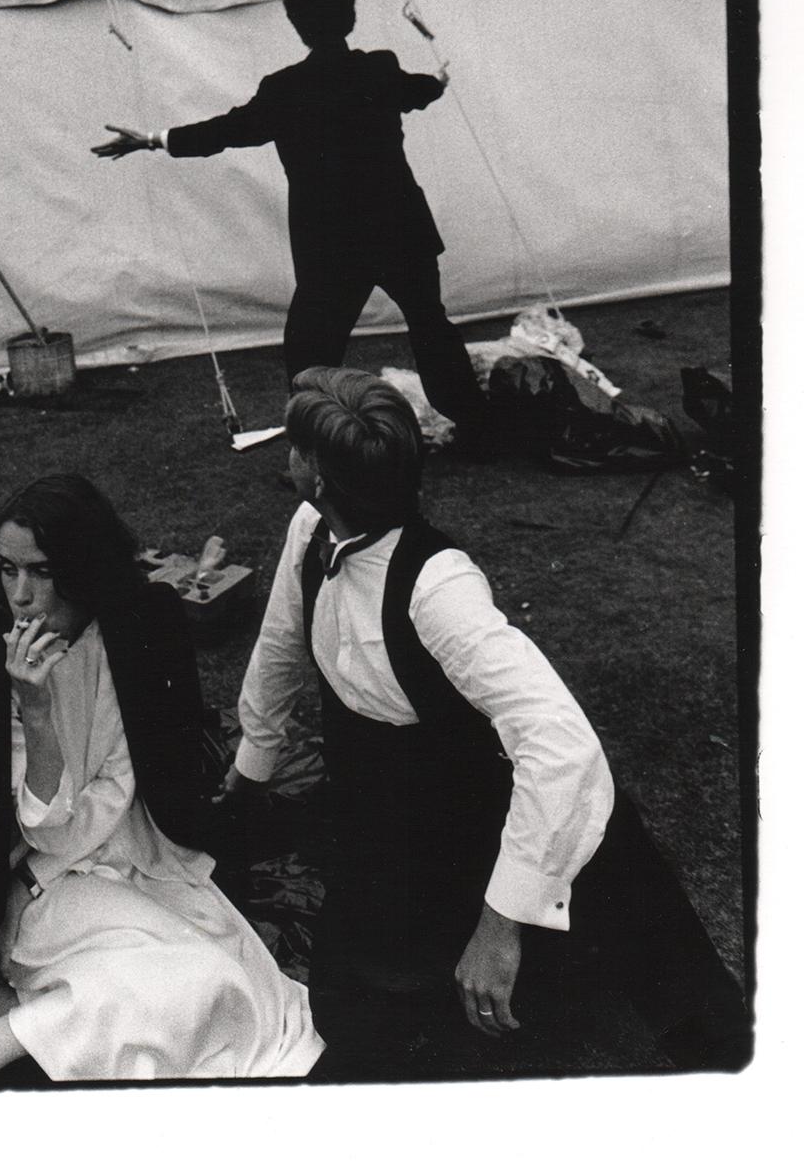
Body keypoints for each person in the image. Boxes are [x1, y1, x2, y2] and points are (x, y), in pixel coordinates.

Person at [219, 367, 750, 1077]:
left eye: (295, 449)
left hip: (483, 810)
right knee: (353, 1009)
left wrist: (500, 924)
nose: (287, 459)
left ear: (315, 474)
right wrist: (250, 768)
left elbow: (561, 745)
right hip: (389, 818)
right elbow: (281, 642)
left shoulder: (439, 588)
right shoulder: (311, 528)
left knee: (640, 977)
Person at [0, 473, 323, 1083]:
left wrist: (31, 878)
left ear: (81, 567)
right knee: (196, 982)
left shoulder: (137, 631)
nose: (20, 595)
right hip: (34, 887)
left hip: (123, 856)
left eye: (41, 571)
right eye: (6, 569)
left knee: (232, 985)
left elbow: (120, 787)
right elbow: (36, 826)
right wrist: (38, 710)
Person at [93, 0, 490, 443]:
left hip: (332, 241)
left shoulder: (286, 89)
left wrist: (153, 140)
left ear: (296, 24)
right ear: (351, 16)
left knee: (311, 349)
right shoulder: (379, 69)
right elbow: (419, 90)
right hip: (400, 226)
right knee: (431, 328)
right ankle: (479, 427)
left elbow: (227, 131)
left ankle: (319, 444)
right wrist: (439, 83)